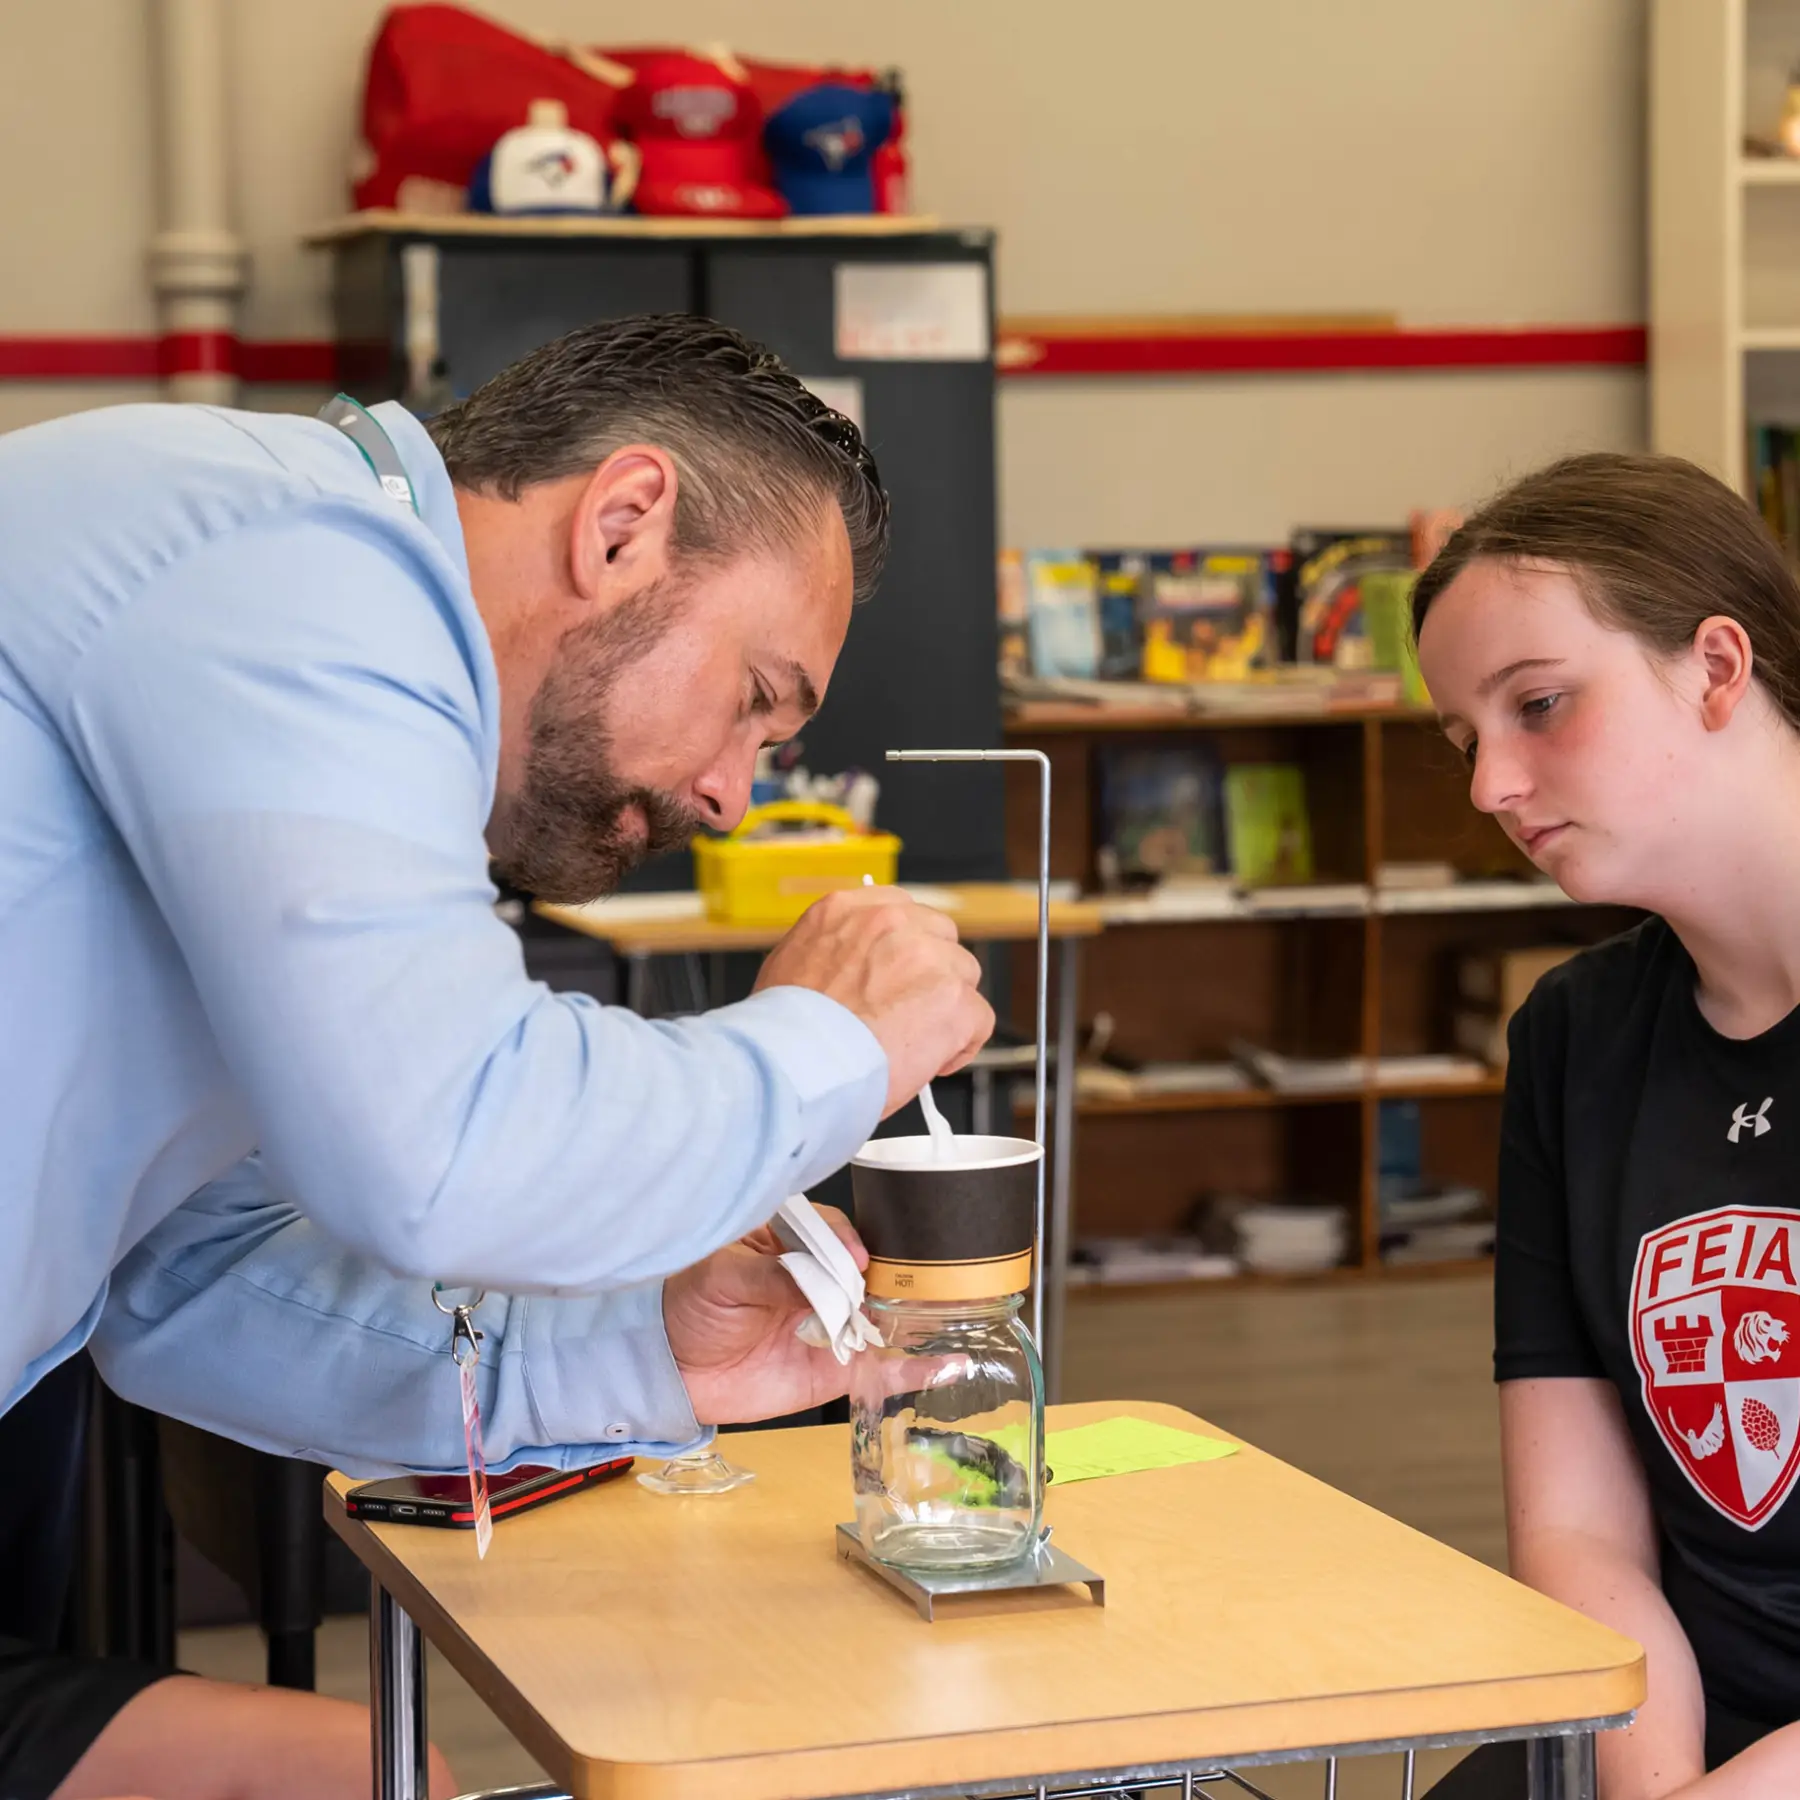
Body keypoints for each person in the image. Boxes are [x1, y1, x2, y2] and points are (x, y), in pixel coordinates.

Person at [0, 314, 992, 1796]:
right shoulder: (292, 557)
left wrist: (649, 1345)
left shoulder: (269, 640)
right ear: (623, 525)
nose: (730, 792)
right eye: (757, 701)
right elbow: (448, 1147)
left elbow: (188, 1279)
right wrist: (834, 1038)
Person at [1412, 453, 1800, 1797]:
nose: (1491, 790)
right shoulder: (1573, 1036)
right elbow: (1581, 1534)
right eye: (1468, 741)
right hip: (1669, 1732)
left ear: (1715, 666)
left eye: (1540, 706)